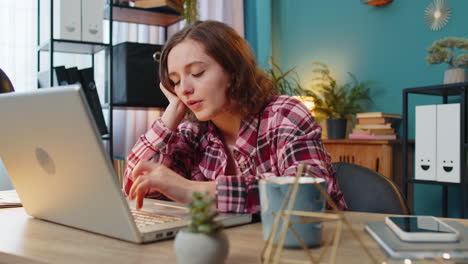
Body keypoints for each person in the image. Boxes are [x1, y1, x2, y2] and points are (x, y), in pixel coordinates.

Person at [124, 20, 347, 213]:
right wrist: (169, 119)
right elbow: (135, 186)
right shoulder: (193, 133)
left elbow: (308, 194)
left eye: (197, 73)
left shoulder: (284, 115)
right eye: (175, 81)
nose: (184, 89)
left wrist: (193, 191)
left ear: (232, 71)